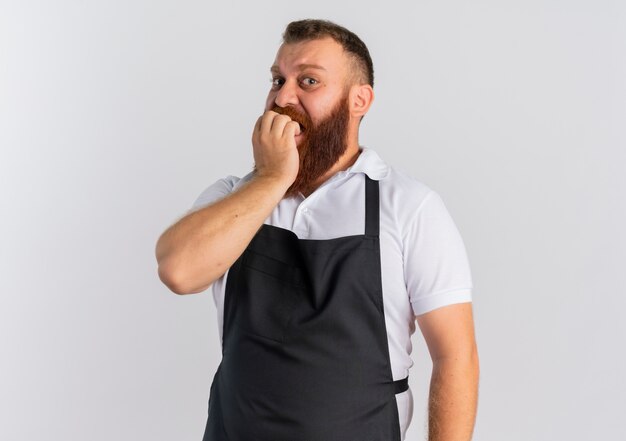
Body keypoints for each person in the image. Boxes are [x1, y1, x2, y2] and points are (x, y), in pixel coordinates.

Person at [155, 18, 479, 441]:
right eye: (277, 80)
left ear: (359, 100)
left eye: (308, 81)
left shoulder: (407, 206)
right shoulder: (234, 197)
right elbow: (179, 271)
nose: (283, 97)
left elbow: (456, 359)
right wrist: (271, 180)